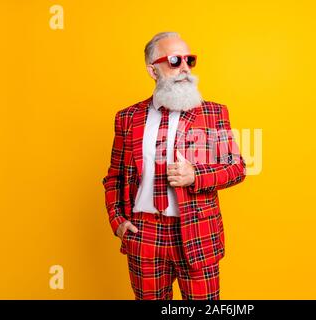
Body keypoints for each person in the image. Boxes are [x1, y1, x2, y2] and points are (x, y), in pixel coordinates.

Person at [102, 31, 246, 300]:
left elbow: (236, 167)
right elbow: (115, 176)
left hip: (196, 232)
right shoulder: (127, 118)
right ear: (152, 69)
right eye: (175, 60)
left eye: (189, 61)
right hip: (144, 233)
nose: (184, 68)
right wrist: (116, 219)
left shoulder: (214, 113)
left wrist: (196, 175)